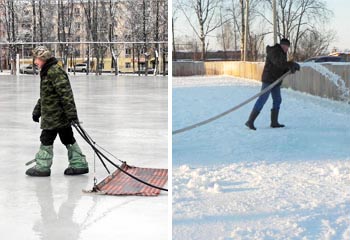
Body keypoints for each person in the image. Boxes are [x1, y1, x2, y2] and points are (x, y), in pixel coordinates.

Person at [26, 46, 89, 176]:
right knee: (67, 138)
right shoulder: (48, 71)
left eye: (37, 59)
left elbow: (66, 94)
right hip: (54, 114)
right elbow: (46, 95)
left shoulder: (54, 71)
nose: (35, 62)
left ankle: (42, 167)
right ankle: (79, 164)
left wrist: (71, 115)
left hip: (56, 115)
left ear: (43, 59)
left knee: (47, 138)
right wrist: (37, 111)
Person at [245, 38, 300, 130]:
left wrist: (290, 69)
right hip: (269, 80)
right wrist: (290, 64)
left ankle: (274, 122)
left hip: (276, 81)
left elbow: (281, 67)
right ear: (282, 45)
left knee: (277, 100)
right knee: (262, 99)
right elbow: (278, 63)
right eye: (287, 47)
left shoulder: (282, 54)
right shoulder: (274, 51)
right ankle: (250, 121)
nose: (287, 49)